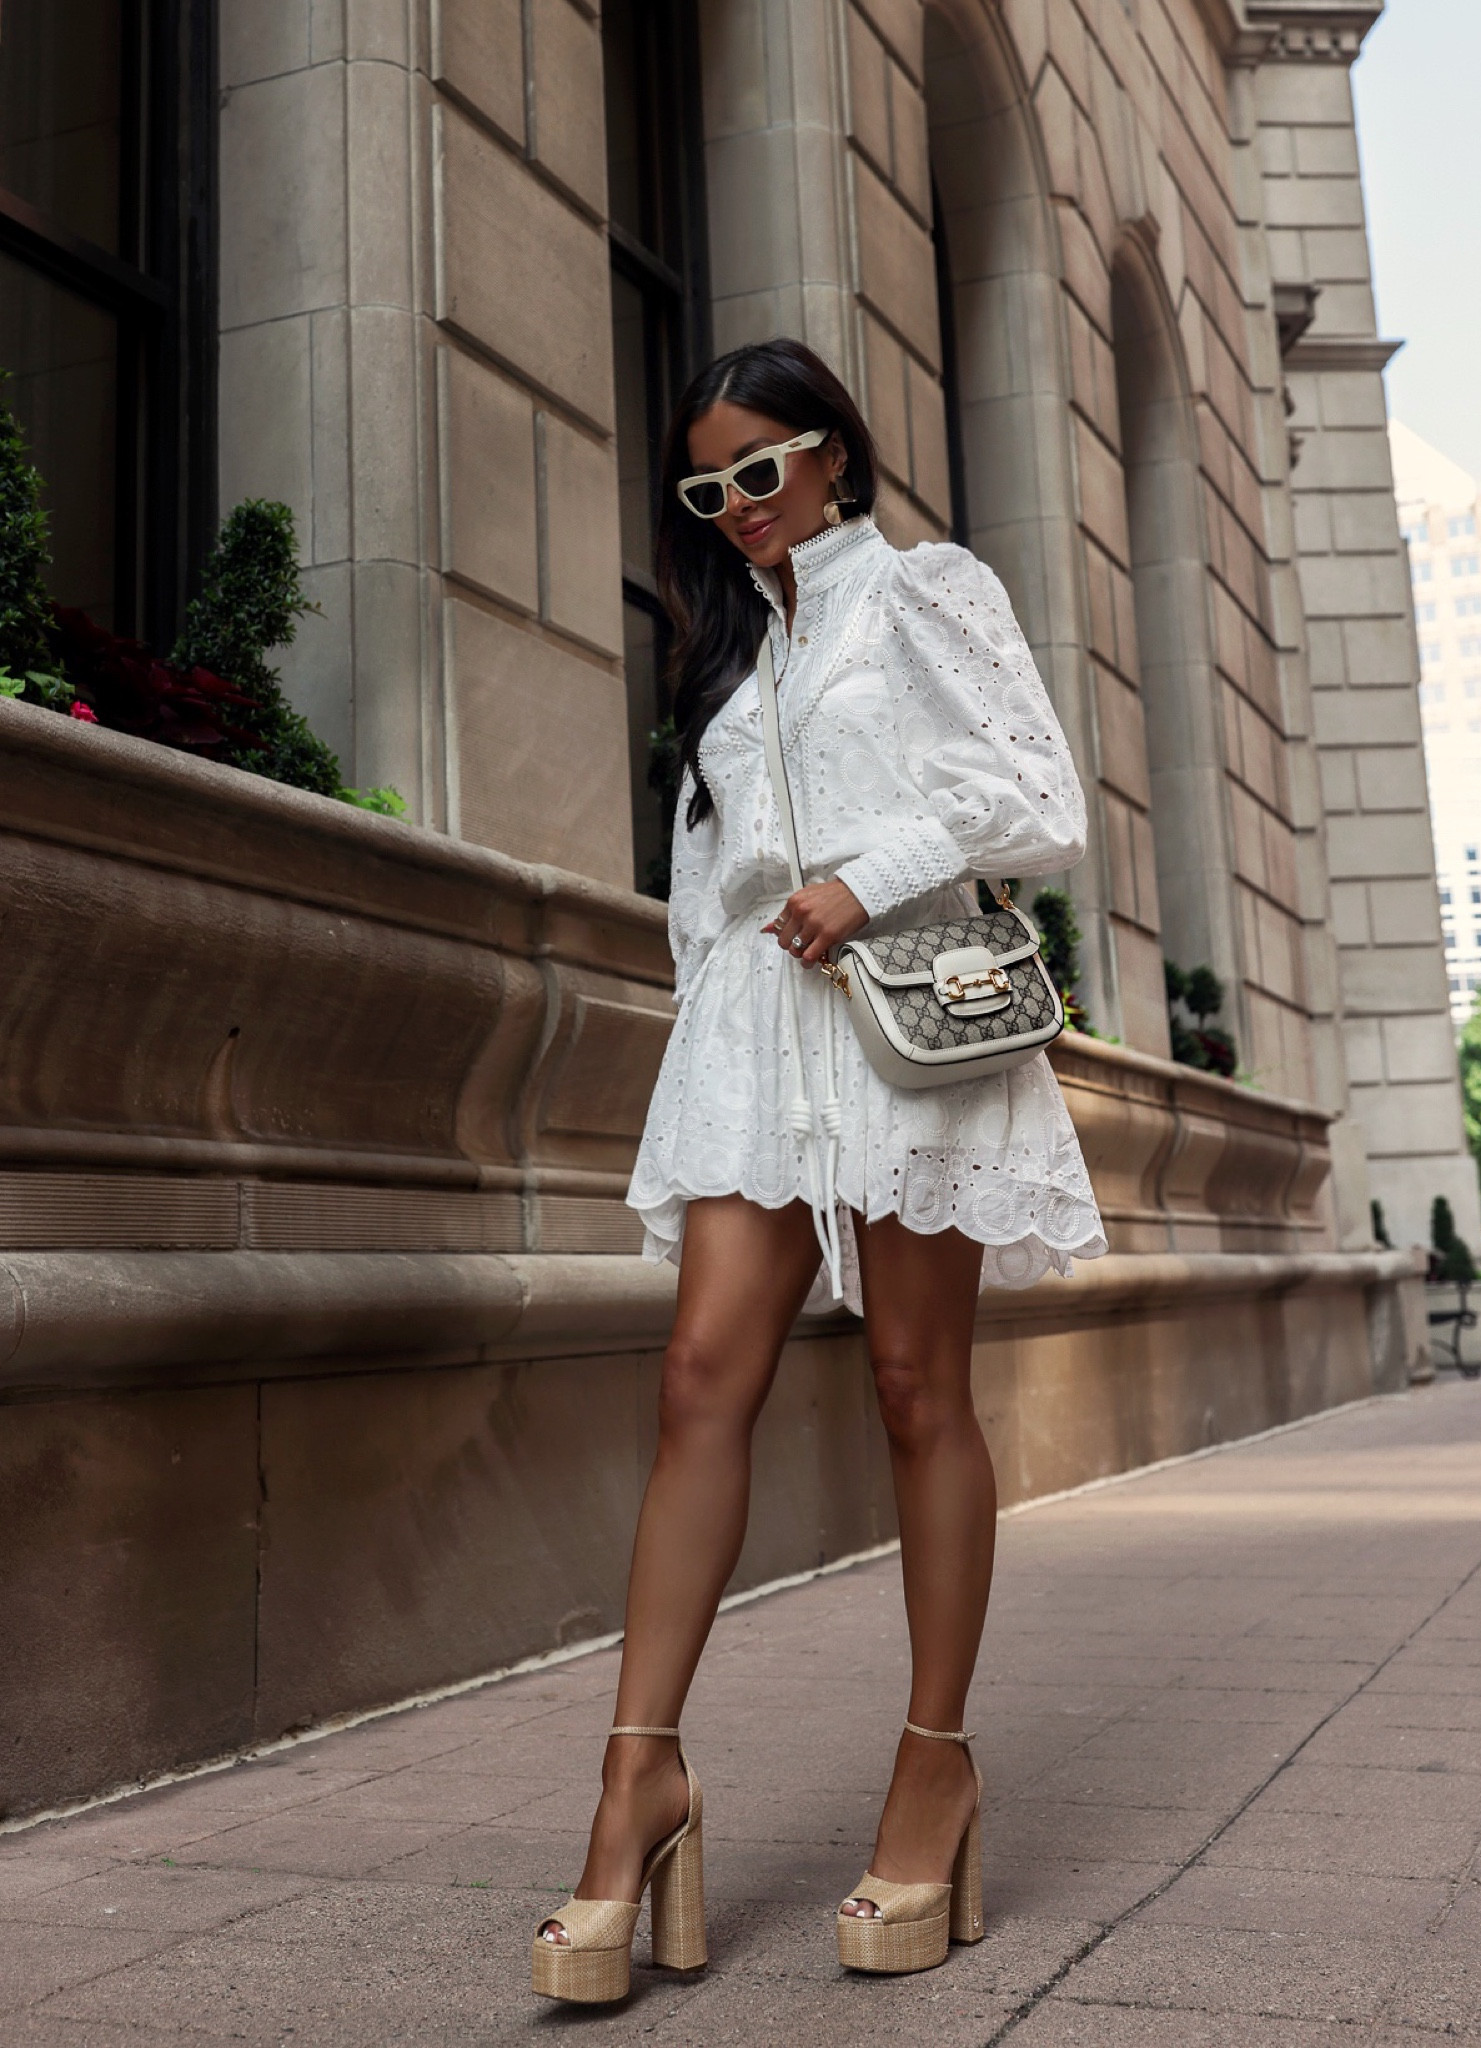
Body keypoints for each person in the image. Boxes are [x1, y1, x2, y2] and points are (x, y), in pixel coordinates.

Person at [532, 337, 1106, 2003]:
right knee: (700, 1376)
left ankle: (937, 1763)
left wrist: (872, 874)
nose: (739, 510)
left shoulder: (923, 596)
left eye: (761, 472)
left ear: (832, 455)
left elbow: (1043, 801)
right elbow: (697, 896)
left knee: (921, 1385)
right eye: (707, 492)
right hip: (750, 1044)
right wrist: (703, 1030)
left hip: (904, 1021)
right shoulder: (721, 656)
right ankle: (639, 1775)